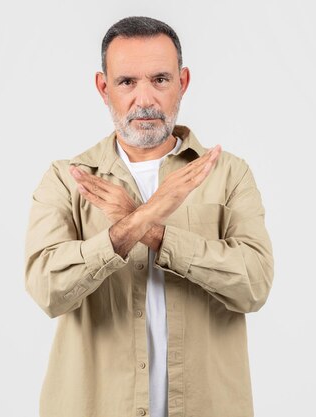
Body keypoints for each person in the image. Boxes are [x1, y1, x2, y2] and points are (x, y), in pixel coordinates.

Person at [24, 16, 274, 417]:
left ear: (183, 82)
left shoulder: (228, 174)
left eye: (160, 79)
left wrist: (153, 231)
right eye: (127, 82)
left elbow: (255, 284)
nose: (145, 99)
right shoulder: (68, 179)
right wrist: (137, 223)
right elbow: (48, 290)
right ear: (104, 88)